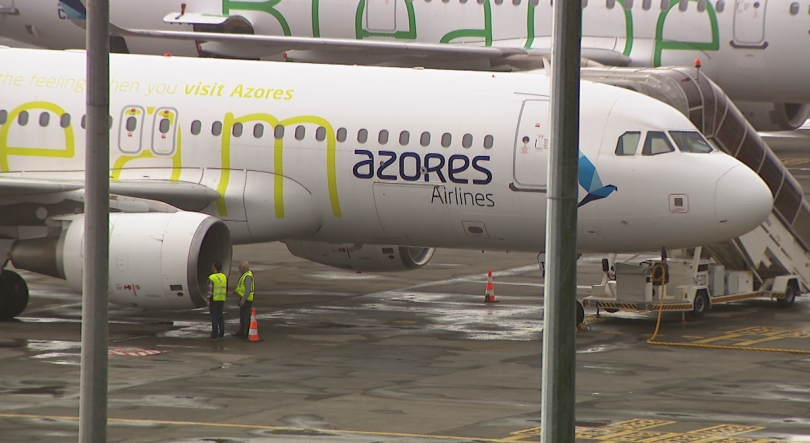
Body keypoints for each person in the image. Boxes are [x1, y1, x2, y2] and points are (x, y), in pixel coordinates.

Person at [231, 261, 254, 339]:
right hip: (244, 298)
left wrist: (243, 300)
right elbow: (242, 287)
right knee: (242, 315)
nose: (239, 268)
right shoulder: (245, 275)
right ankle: (241, 331)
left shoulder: (247, 276)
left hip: (247, 299)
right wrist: (236, 291)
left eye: (240, 267)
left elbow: (247, 290)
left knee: (245, 316)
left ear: (244, 268)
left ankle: (246, 332)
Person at [207, 261, 227, 339]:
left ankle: (214, 333)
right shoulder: (223, 276)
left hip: (214, 299)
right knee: (220, 316)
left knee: (214, 317)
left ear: (215, 267)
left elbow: (210, 290)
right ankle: (221, 332)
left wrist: (208, 299)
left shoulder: (212, 277)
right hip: (221, 298)